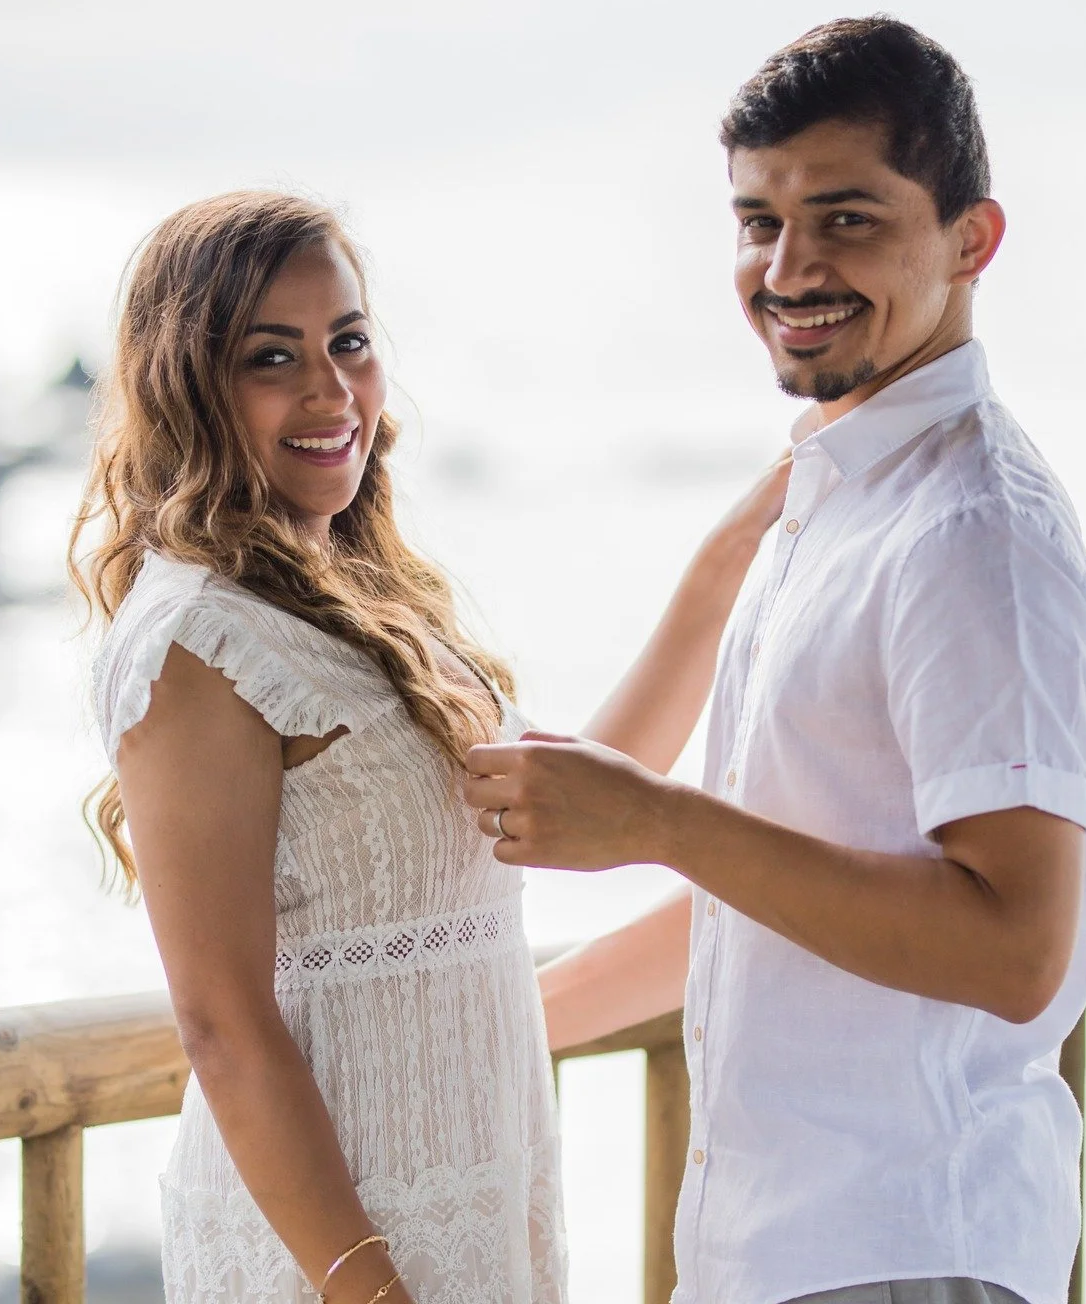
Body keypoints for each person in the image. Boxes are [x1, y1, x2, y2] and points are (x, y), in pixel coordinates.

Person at [465, 17, 1086, 1304]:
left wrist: (658, 818)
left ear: (970, 241)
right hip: (787, 1255)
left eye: (848, 219)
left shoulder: (973, 536)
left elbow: (1013, 947)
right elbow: (776, 898)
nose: (790, 264)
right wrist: (495, 1037)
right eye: (758, 221)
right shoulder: (833, 499)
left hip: (904, 1253)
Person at [69, 191, 790, 1303]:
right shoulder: (196, 638)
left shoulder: (354, 601)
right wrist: (371, 1291)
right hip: (341, 1248)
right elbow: (223, 1021)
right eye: (273, 357)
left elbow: (547, 808)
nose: (330, 390)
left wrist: (720, 571)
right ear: (189, 385)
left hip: (474, 1202)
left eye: (347, 342)